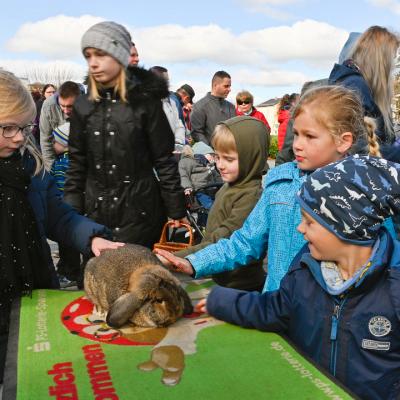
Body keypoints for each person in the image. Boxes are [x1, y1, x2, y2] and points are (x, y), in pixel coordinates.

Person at [200, 155, 400, 400]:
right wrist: (220, 300)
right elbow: (273, 309)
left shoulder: (393, 287)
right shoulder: (305, 271)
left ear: (345, 227)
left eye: (309, 222)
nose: (300, 228)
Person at [155, 85, 381, 292]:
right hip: (278, 304)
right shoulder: (280, 184)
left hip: (332, 313)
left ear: (343, 141)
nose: (297, 144)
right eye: (296, 134)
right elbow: (244, 242)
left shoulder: (364, 192)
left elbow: (381, 260)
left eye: (309, 136)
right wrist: (193, 262)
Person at [0, 70, 123, 382]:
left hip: (35, 286)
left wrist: (92, 238)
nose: (18, 137)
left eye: (24, 127)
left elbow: (58, 216)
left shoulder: (31, 165)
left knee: (36, 373)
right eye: (7, 128)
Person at [64, 21, 186, 251]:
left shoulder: (146, 102)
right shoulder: (83, 105)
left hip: (140, 215)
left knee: (139, 283)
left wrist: (176, 210)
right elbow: (76, 165)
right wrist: (71, 216)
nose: (93, 63)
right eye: (88, 56)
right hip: (96, 217)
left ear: (119, 54)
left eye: (100, 54)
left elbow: (164, 160)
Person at [160, 116, 269, 291]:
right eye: (217, 157)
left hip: (241, 284)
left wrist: (174, 257)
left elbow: (222, 240)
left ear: (252, 158)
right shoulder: (229, 187)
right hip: (221, 276)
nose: (220, 165)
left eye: (229, 159)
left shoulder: (250, 196)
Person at [328, 25, 399, 160]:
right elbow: (361, 152)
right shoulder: (356, 87)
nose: (392, 66)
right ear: (380, 60)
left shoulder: (352, 83)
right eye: (391, 59)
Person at [39, 81, 81, 171]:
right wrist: (51, 170)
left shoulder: (86, 105)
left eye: (70, 106)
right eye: (62, 105)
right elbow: (45, 139)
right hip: (57, 158)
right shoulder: (48, 106)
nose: (65, 111)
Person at [190, 71, 235, 146]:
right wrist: (209, 151)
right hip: (211, 154)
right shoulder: (199, 106)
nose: (229, 89)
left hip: (230, 153)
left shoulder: (231, 107)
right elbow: (197, 133)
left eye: (230, 86)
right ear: (215, 85)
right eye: (226, 86)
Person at [149, 66, 186, 152]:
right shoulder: (143, 103)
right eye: (165, 81)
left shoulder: (171, 102)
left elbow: (179, 125)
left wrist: (178, 142)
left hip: (171, 152)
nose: (168, 84)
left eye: (168, 81)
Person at [178, 142, 222, 210]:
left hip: (212, 188)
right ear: (202, 154)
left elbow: (217, 176)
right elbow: (183, 175)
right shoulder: (188, 162)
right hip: (198, 189)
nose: (213, 158)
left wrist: (224, 183)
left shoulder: (210, 165)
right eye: (211, 155)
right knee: (209, 204)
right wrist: (187, 187)